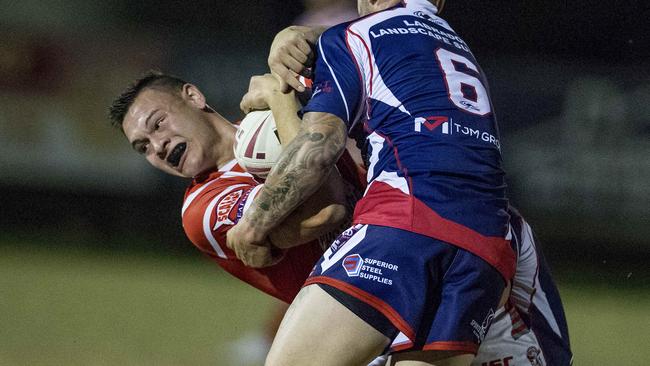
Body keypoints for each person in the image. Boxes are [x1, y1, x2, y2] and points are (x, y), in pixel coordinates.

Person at [225, 0, 543, 364]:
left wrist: (254, 223)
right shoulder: (457, 46)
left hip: (405, 224)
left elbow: (320, 144)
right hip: (486, 249)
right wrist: (308, 37)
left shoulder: (353, 36)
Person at [108, 71, 363, 303]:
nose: (158, 146)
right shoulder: (203, 210)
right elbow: (325, 212)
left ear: (193, 96)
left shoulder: (272, 122)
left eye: (158, 123)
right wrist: (280, 96)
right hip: (361, 314)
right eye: (143, 147)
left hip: (398, 258)